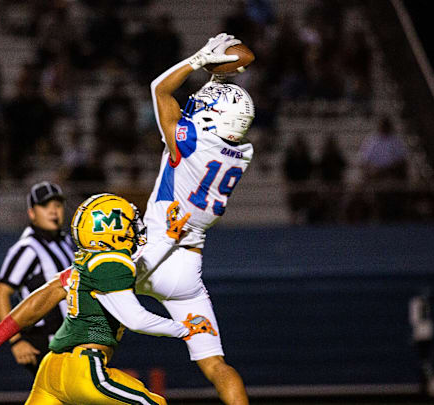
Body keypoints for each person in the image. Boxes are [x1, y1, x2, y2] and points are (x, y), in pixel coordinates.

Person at [0, 194, 217, 405]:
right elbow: (135, 319)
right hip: (85, 371)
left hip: (51, 369)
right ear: (113, 232)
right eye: (130, 223)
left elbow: (39, 300)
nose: (137, 229)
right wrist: (185, 328)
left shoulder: (86, 263)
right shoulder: (112, 264)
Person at [137, 33, 253, 405]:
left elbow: (159, 89)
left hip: (149, 253)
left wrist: (201, 58)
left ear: (213, 115)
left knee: (82, 306)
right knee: (216, 365)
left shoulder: (188, 141)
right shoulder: (241, 152)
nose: (195, 105)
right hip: (188, 270)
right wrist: (218, 79)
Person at [0, 181, 75, 376]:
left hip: (71, 339)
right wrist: (16, 341)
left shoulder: (66, 241)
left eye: (58, 205)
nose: (53, 211)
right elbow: (0, 294)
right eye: (45, 206)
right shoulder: (27, 248)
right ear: (32, 213)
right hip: (46, 341)